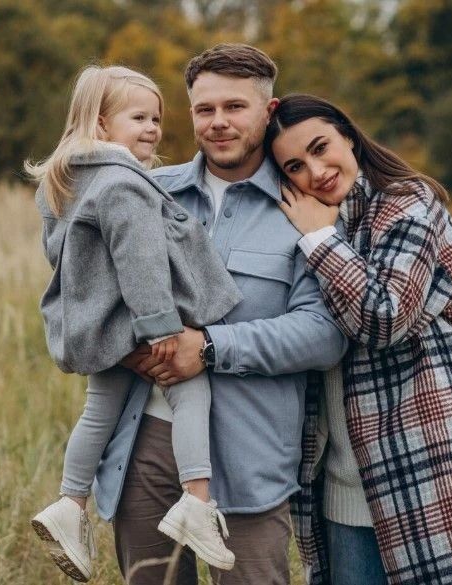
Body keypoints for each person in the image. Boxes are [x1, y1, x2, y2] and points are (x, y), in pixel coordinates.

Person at [95, 45, 349, 585]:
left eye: (235, 107)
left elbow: (324, 333)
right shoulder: (145, 191)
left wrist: (209, 348)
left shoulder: (303, 206)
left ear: (268, 111)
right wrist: (127, 344)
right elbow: (88, 289)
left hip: (249, 453)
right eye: (204, 109)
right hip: (145, 444)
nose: (218, 122)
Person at [266, 93, 452, 584]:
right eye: (295, 167)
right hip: (343, 489)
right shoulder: (310, 226)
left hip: (429, 477)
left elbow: (386, 318)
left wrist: (320, 240)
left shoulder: (407, 204)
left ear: (348, 136)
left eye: (320, 147)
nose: (316, 171)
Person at [26, 65, 244, 582]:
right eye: (138, 117)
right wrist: (161, 326)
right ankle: (196, 501)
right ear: (101, 124)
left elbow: (64, 258)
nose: (152, 129)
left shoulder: (67, 180)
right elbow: (139, 260)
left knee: (99, 410)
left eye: (156, 119)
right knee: (191, 389)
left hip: (101, 326)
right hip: (140, 323)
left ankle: (70, 504)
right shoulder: (124, 184)